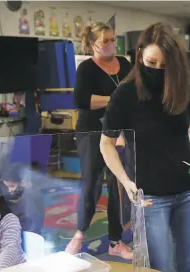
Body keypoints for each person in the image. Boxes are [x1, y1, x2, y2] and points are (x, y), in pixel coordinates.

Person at [100, 23, 190, 272]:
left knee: (189, 267)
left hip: (189, 191)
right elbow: (106, 145)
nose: (158, 71)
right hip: (150, 197)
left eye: (165, 66)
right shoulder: (124, 94)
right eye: (152, 62)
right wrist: (125, 181)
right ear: (139, 54)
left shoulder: (180, 86)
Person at [66, 21, 133, 259]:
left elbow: (135, 91)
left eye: (113, 39)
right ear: (92, 43)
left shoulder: (125, 64)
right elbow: (82, 100)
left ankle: (115, 241)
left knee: (117, 186)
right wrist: (116, 99)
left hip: (119, 133)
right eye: (105, 40)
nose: (111, 44)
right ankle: (80, 233)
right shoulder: (86, 69)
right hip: (91, 132)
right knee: (91, 185)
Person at [0, 163, 45, 235]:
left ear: (24, 183)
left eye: (12, 186)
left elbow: (30, 228)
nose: (9, 190)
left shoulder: (28, 201)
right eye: (6, 186)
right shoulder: (27, 194)